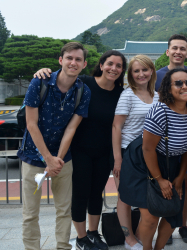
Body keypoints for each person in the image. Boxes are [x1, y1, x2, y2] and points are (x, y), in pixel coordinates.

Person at [33, 50, 128, 250]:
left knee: (97, 193)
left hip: (104, 152)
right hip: (80, 150)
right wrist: (43, 71)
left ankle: (94, 233)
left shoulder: (122, 93)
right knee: (80, 194)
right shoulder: (85, 83)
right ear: (101, 65)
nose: (114, 68)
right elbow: (63, 76)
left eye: (119, 66)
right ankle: (81, 237)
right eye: (110, 63)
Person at [18, 42, 91, 250]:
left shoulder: (83, 91)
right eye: (69, 58)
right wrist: (47, 159)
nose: (73, 62)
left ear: (84, 64)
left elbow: (71, 129)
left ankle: (62, 247)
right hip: (33, 156)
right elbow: (31, 124)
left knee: (64, 209)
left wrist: (56, 159)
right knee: (30, 213)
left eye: (78, 59)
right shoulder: (39, 83)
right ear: (61, 60)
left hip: (62, 159)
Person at [118, 68, 187, 250]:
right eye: (178, 83)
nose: (184, 86)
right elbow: (147, 149)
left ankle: (159, 248)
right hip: (144, 162)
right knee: (151, 215)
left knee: (173, 213)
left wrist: (179, 177)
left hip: (172, 162)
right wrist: (160, 180)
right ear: (168, 89)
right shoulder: (160, 111)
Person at [155, 34, 187, 244]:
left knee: (185, 180)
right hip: (163, 139)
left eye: (182, 48)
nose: (178, 52)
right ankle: (166, 226)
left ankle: (182, 223)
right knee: (164, 183)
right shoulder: (156, 76)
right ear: (168, 51)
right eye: (174, 48)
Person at [112, 55, 159, 250]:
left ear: (151, 71)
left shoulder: (157, 95)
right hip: (128, 152)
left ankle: (140, 234)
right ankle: (129, 238)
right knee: (125, 196)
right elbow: (116, 126)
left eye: (144, 70)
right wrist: (117, 159)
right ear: (131, 74)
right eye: (136, 71)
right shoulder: (127, 94)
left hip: (149, 153)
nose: (141, 74)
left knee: (146, 197)